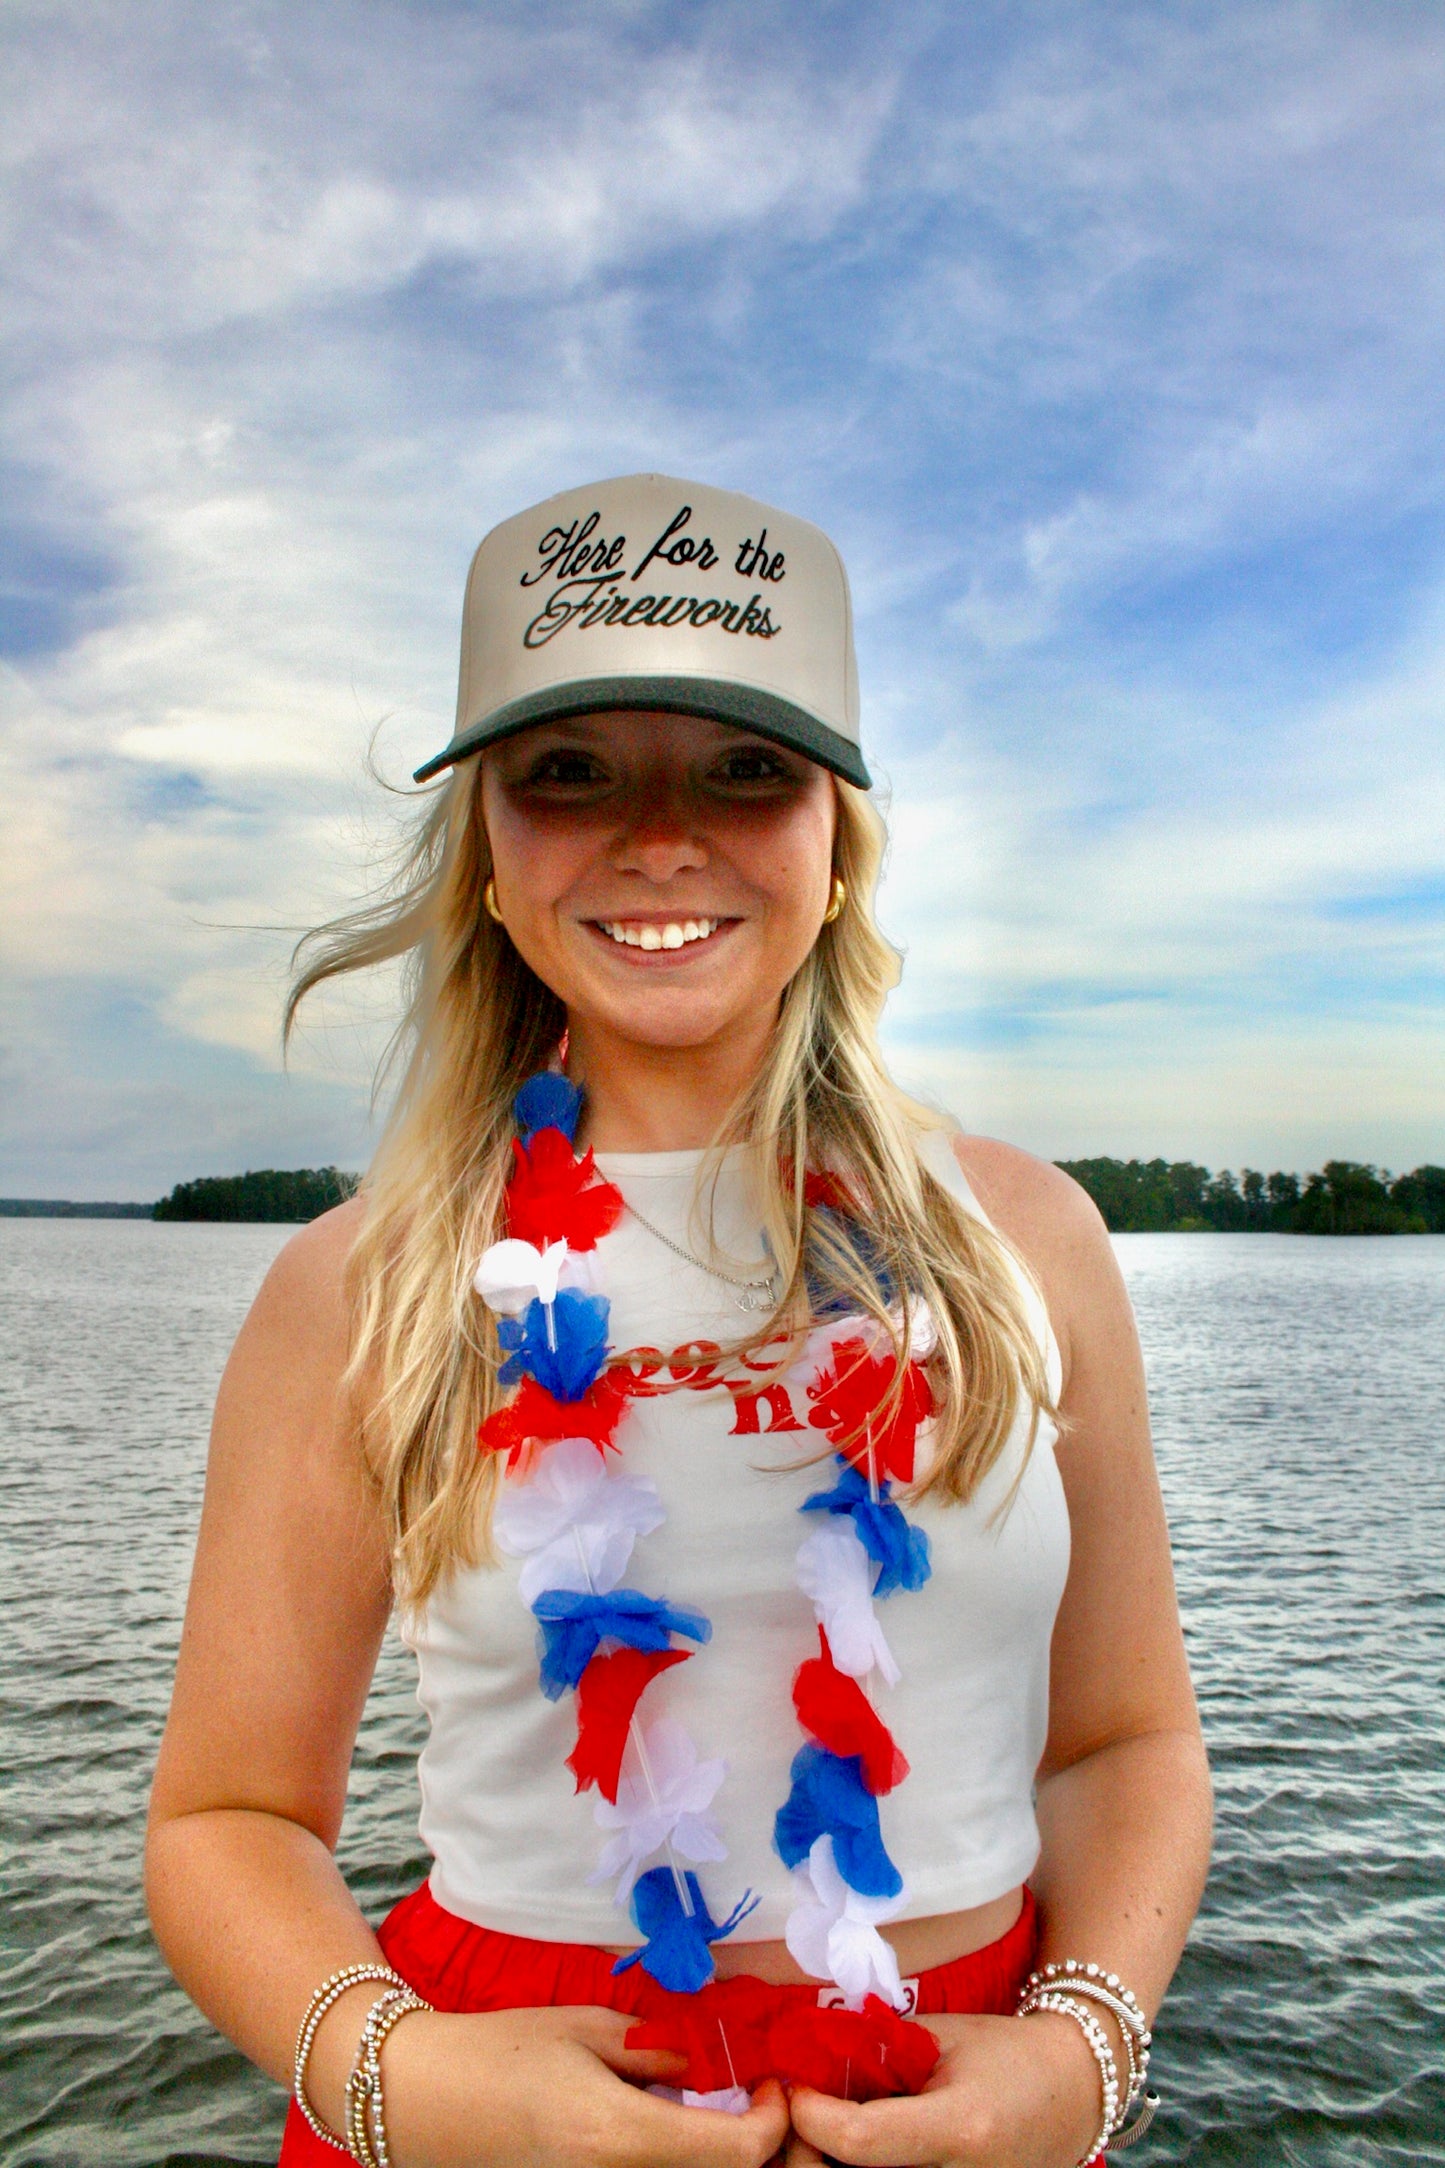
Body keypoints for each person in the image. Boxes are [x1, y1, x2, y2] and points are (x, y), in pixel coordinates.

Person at [145, 474, 1211, 2168]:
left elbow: (1124, 1742)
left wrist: (1077, 2061)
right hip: (493, 2099)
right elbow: (226, 1817)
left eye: (744, 769)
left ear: (834, 848)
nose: (659, 836)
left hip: (958, 2098)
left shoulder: (1025, 1238)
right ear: (486, 859)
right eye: (567, 773)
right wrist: (407, 2087)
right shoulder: (361, 1282)